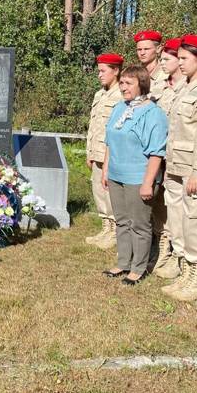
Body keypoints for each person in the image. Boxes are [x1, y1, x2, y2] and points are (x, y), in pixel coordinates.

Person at [160, 35, 197, 301]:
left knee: (195, 220)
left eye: (184, 58)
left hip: (193, 169)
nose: (179, 63)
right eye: (179, 58)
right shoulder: (183, 87)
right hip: (175, 164)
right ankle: (183, 271)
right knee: (177, 218)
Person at [101, 65, 169, 285]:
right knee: (121, 221)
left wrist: (148, 183)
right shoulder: (119, 108)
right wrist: (105, 170)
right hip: (116, 174)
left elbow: (156, 151)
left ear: (142, 83)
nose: (123, 87)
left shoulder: (153, 113)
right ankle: (123, 262)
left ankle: (138, 268)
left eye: (128, 83)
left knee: (138, 224)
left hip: (138, 177)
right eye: (121, 83)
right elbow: (110, 141)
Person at [134, 30, 170, 272]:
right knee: (143, 204)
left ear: (158, 48)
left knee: (160, 205)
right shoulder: (136, 75)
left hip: (160, 149)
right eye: (139, 49)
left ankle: (162, 251)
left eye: (147, 48)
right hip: (138, 151)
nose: (142, 52)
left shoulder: (167, 77)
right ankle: (146, 249)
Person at [150, 38, 186, 279]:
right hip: (158, 154)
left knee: (176, 209)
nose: (162, 62)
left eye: (167, 59)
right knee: (158, 205)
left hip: (177, 156)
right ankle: (161, 246)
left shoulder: (186, 87)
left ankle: (175, 255)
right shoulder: (161, 86)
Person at [85, 53, 124, 249]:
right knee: (98, 191)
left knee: (110, 192)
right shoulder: (100, 94)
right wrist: (89, 151)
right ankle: (105, 227)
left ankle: (115, 230)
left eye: (103, 71)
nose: (99, 75)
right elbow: (93, 126)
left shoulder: (121, 95)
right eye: (98, 70)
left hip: (111, 153)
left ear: (115, 71)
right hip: (97, 151)